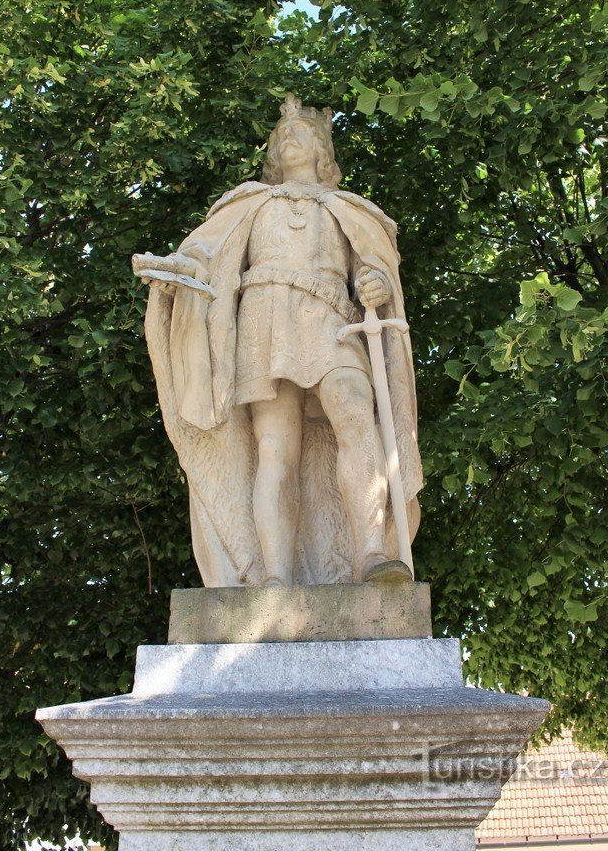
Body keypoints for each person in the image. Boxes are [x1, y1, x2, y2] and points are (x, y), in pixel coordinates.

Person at [133, 95, 422, 587]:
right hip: (264, 325)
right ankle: (275, 577)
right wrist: (178, 271)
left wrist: (375, 281)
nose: (288, 136)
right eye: (281, 133)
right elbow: (207, 256)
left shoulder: (349, 209)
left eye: (301, 132)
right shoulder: (248, 203)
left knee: (356, 414)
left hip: (334, 322)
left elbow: (371, 267)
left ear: (322, 150)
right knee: (274, 449)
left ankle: (372, 554)